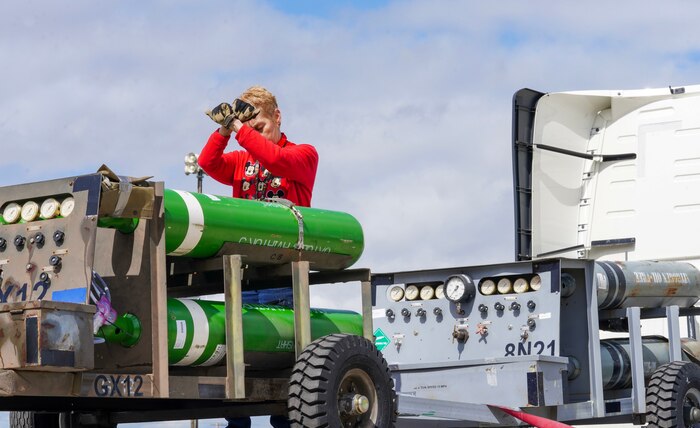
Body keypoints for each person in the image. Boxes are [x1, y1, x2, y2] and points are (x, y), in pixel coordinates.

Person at [199, 86, 318, 428]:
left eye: (260, 126)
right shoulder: (241, 160)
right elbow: (208, 162)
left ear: (277, 117)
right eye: (248, 129)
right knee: (239, 356)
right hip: (246, 276)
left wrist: (240, 128)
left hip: (283, 276)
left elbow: (276, 160)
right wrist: (224, 130)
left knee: (288, 362)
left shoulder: (304, 154)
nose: (251, 135)